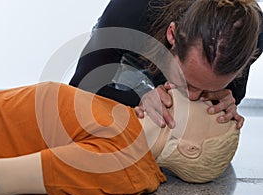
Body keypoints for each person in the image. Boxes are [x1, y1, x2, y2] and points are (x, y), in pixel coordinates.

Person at [0, 81, 239, 195]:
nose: (205, 96)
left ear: (190, 149)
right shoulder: (129, 118)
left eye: (210, 109)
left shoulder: (118, 164)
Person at [69, 0, 263, 129]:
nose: (192, 97)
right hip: (138, 36)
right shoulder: (130, 13)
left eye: (205, 88)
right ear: (172, 34)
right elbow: (81, 87)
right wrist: (137, 98)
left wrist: (226, 100)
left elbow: (234, 95)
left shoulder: (251, 34)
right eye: (188, 83)